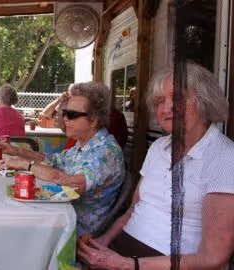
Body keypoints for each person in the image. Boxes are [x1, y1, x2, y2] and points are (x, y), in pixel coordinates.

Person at [77, 63, 234, 269]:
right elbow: (134, 209)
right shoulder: (160, 147)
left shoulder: (224, 158)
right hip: (121, 252)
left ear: (204, 102)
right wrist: (103, 242)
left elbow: (213, 258)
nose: (166, 108)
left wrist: (126, 264)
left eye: (177, 99)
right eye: (160, 101)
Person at [0, 82, 125, 235]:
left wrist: (25, 165)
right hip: (59, 215)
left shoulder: (106, 152)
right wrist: (15, 151)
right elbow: (53, 160)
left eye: (72, 115)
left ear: (93, 120)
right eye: (64, 113)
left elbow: (72, 183)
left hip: (75, 230)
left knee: (8, 224)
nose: (65, 119)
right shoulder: (84, 144)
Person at [40, 92, 128, 150]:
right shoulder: (81, 140)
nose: (65, 119)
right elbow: (45, 115)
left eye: (72, 114)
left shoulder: (103, 149)